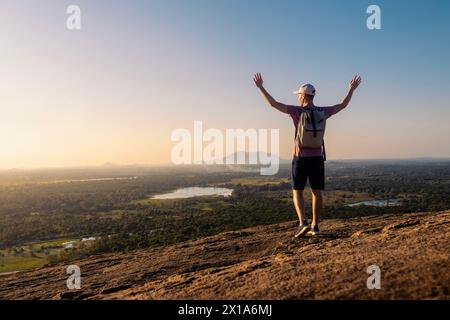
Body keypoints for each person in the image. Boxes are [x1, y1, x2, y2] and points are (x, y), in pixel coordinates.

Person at [253, 73, 361, 237]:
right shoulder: (323, 111)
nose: (298, 98)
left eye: (299, 95)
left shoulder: (297, 111)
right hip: (318, 157)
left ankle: (303, 222)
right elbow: (343, 105)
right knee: (317, 192)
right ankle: (315, 227)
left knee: (297, 190)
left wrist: (261, 87)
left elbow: (273, 104)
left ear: (303, 96)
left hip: (300, 157)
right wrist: (351, 89)